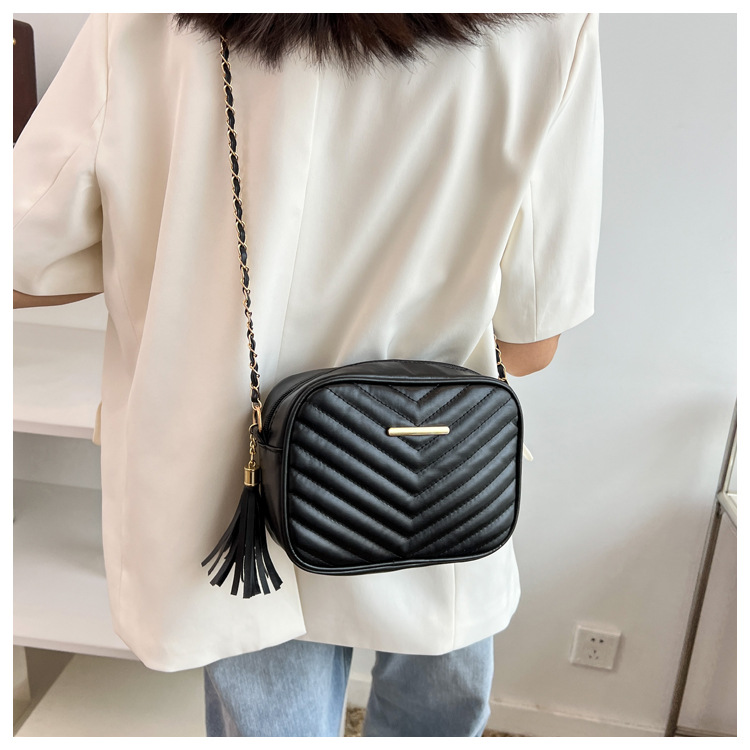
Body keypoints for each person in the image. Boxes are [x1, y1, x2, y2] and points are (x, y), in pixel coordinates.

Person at [13, 13, 602, 737]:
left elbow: (26, 263)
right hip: (436, 470)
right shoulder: (552, 23)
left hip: (234, 496)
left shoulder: (141, 19)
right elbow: (532, 346)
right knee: (437, 708)